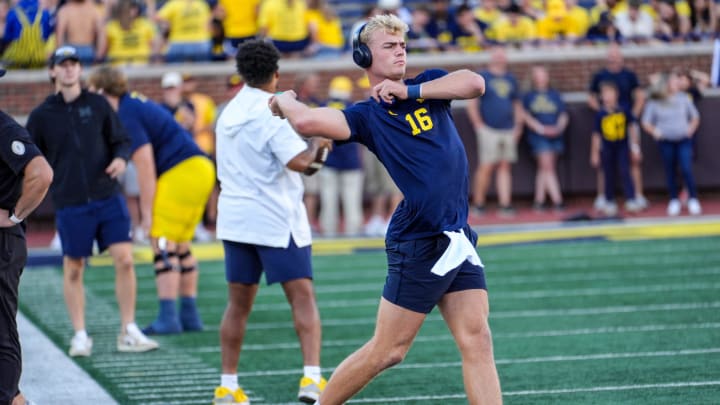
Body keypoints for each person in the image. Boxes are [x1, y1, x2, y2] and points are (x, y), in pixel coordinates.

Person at [270, 14, 502, 404]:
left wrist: (410, 93)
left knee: (477, 339)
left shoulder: (426, 86)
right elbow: (309, 121)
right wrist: (286, 100)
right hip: (421, 238)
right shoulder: (367, 116)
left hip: (456, 233)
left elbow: (475, 83)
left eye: (402, 46)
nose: (400, 52)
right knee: (388, 351)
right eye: (389, 46)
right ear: (364, 56)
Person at [213, 40, 330, 405]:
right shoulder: (269, 111)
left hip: (235, 219)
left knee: (238, 306)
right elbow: (304, 165)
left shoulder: (228, 111)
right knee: (303, 298)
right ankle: (312, 379)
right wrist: (324, 143)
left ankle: (227, 385)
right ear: (276, 73)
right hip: (275, 218)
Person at [25, 46, 158, 357]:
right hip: (71, 202)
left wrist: (122, 160)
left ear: (80, 69)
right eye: (63, 64)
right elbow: (33, 158)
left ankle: (128, 329)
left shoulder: (97, 104)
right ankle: (81, 334)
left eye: (74, 64)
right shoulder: (42, 115)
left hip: (108, 196)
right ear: (53, 71)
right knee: (74, 267)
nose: (70, 69)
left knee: (125, 259)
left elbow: (121, 140)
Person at [87, 65, 216, 334]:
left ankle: (169, 317)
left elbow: (145, 166)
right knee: (180, 244)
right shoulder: (132, 104)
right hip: (199, 168)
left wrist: (146, 215)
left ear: (101, 90)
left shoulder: (125, 111)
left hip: (181, 170)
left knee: (162, 242)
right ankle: (190, 315)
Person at [0, 68, 54, 405]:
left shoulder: (3, 127)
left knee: (1, 332)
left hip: (3, 243)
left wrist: (15, 215)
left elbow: (41, 173)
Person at [588, 44, 647, 212]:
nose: (614, 58)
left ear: (621, 56)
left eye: (616, 54)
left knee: (632, 160)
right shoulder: (600, 75)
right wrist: (604, 112)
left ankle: (637, 195)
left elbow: (640, 96)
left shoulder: (629, 75)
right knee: (605, 164)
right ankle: (604, 196)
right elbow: (591, 97)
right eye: (611, 55)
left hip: (625, 125)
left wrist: (631, 117)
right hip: (608, 129)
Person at [466, 46, 522, 217]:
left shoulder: (511, 79)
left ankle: (505, 204)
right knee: (486, 166)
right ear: (491, 58)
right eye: (496, 55)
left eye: (502, 55)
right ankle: (479, 204)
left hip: (508, 129)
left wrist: (518, 126)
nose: (499, 58)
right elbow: (472, 103)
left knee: (505, 166)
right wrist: (479, 125)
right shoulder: (484, 76)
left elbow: (517, 104)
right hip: (489, 129)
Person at [641, 71, 701, 216]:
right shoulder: (656, 100)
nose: (677, 84)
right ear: (666, 83)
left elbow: (695, 117)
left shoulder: (683, 98)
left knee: (686, 168)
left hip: (683, 140)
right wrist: (656, 132)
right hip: (666, 141)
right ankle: (674, 199)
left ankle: (693, 198)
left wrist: (690, 129)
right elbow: (646, 122)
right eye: (674, 81)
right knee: (670, 170)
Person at [318, 76, 364, 237]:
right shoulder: (352, 107)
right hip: (351, 161)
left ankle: (329, 232)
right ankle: (353, 232)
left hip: (328, 160)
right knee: (352, 201)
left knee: (328, 200)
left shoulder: (323, 107)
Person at [589, 81, 643, 216]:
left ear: (616, 94)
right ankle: (609, 200)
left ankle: (631, 199)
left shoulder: (624, 110)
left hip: (622, 146)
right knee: (608, 173)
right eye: (604, 94)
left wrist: (635, 147)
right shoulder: (600, 114)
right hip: (607, 148)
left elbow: (632, 128)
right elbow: (596, 135)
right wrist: (594, 153)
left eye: (609, 93)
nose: (607, 97)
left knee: (625, 171)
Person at [522, 65, 568, 211]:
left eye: (543, 74)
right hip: (538, 136)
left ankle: (539, 201)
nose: (541, 77)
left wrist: (559, 128)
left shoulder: (554, 94)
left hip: (555, 134)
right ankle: (558, 200)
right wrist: (541, 129)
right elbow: (525, 115)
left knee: (545, 168)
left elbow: (563, 114)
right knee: (547, 166)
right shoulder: (529, 95)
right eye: (538, 74)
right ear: (533, 78)